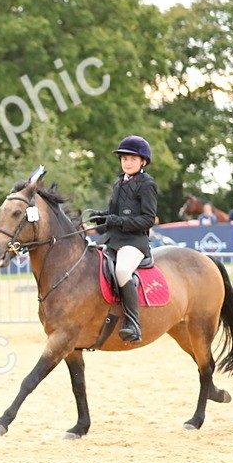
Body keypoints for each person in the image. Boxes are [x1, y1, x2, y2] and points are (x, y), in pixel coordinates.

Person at [89, 135, 158, 344]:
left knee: (121, 270)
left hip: (135, 242)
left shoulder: (147, 184)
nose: (127, 163)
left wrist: (117, 221)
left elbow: (147, 219)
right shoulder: (120, 182)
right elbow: (113, 214)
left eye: (132, 159)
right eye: (124, 159)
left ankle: (133, 323)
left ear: (142, 161)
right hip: (113, 238)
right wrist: (99, 218)